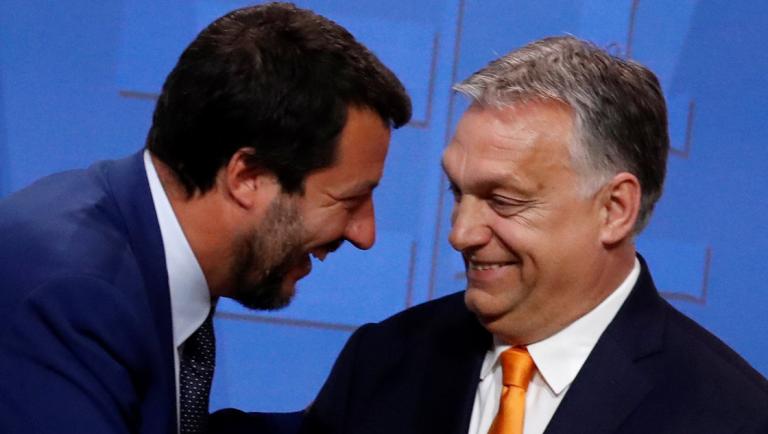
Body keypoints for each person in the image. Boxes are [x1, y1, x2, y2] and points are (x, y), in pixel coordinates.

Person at [299, 36, 768, 434]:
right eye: (458, 193)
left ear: (614, 209)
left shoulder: (731, 414)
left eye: (504, 201)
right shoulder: (383, 362)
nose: (461, 234)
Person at [0, 3, 410, 434]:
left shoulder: (133, 242)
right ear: (248, 177)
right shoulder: (71, 295)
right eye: (349, 199)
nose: (366, 233)